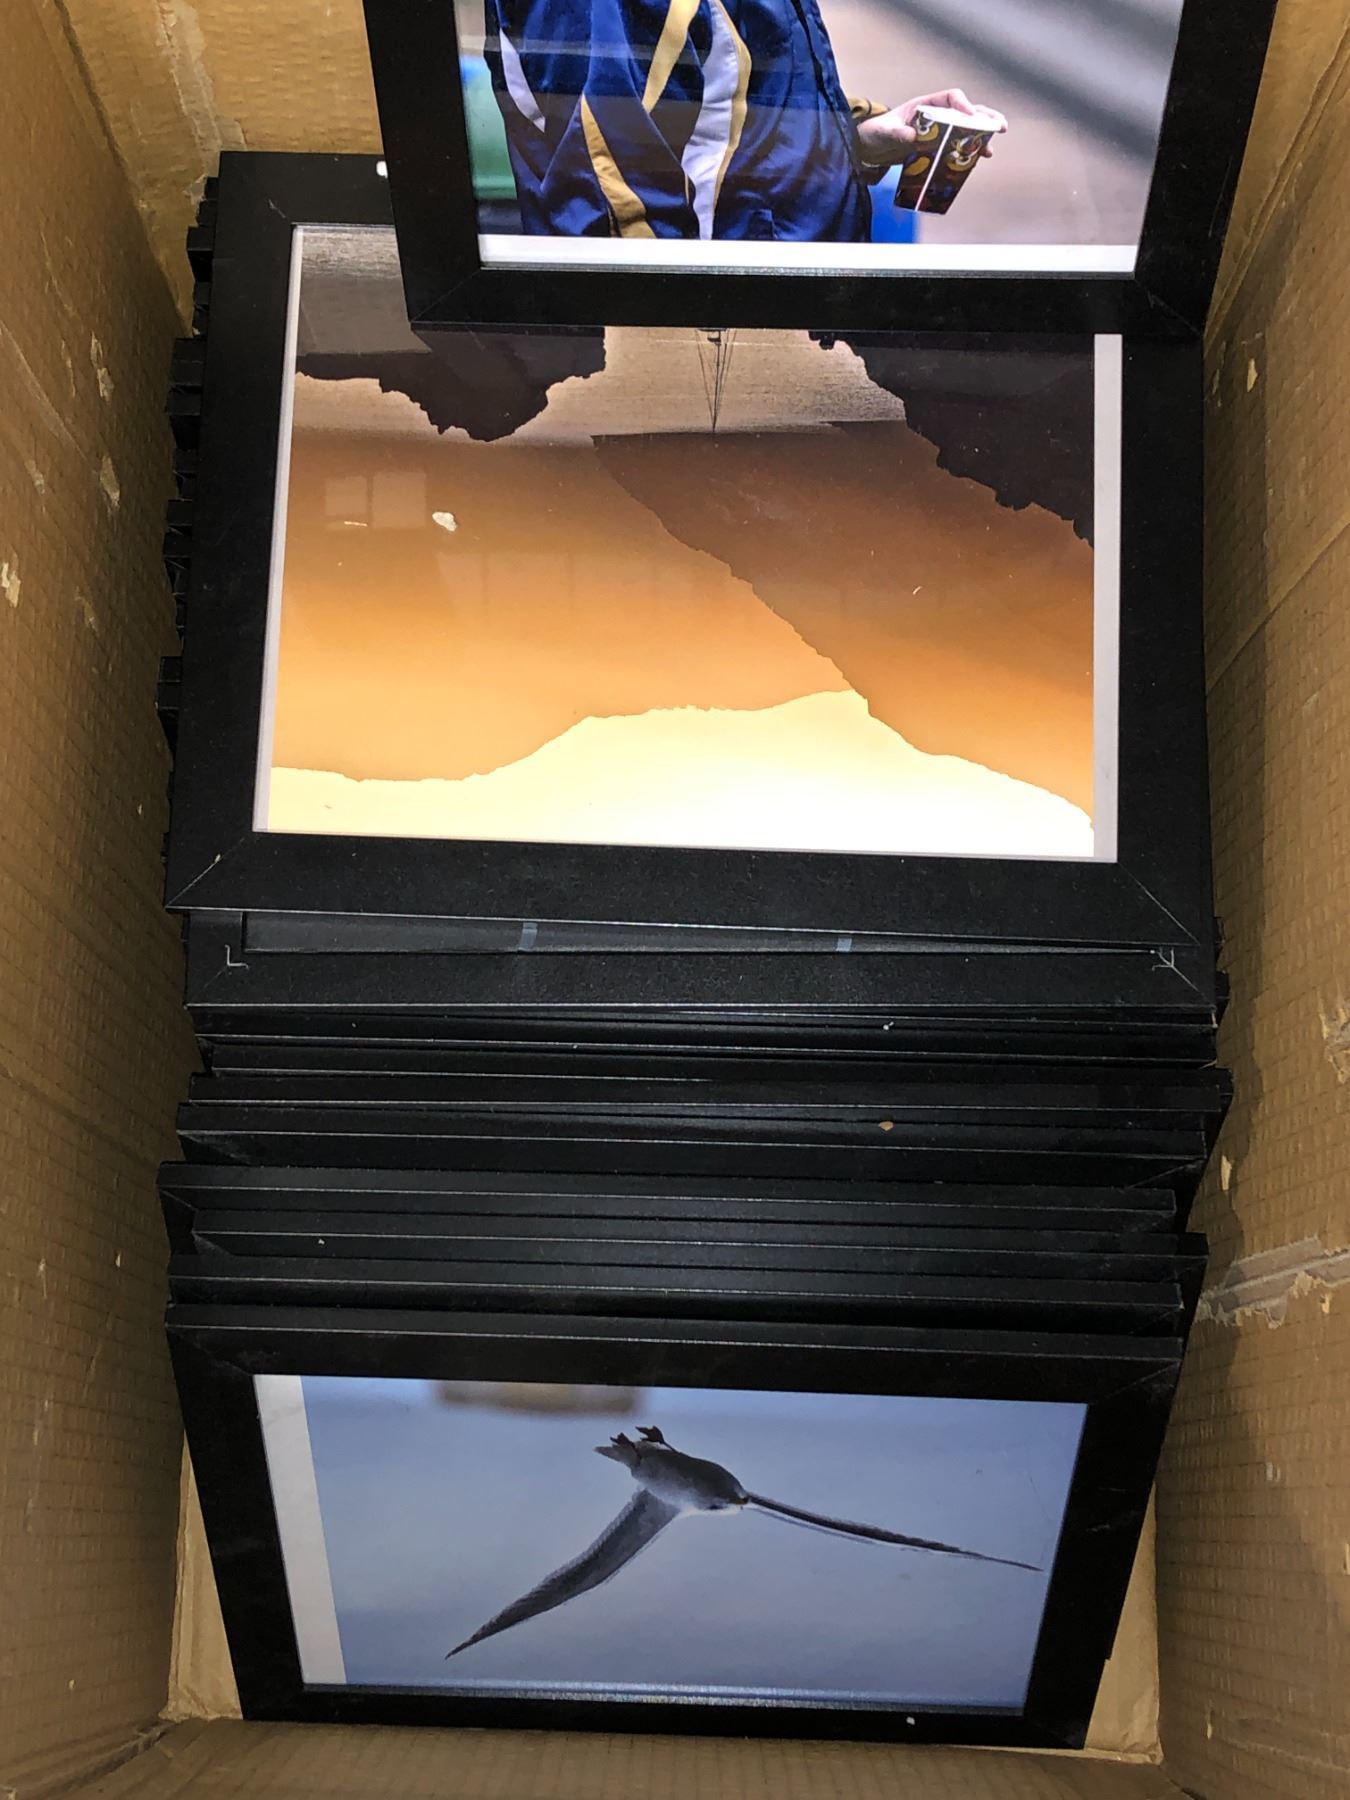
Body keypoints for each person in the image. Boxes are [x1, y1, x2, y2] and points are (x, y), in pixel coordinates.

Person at [482, 0, 1006, 243]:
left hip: (787, 318)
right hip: (729, 347)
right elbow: (610, 203)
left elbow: (735, 109)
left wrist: (856, 138)